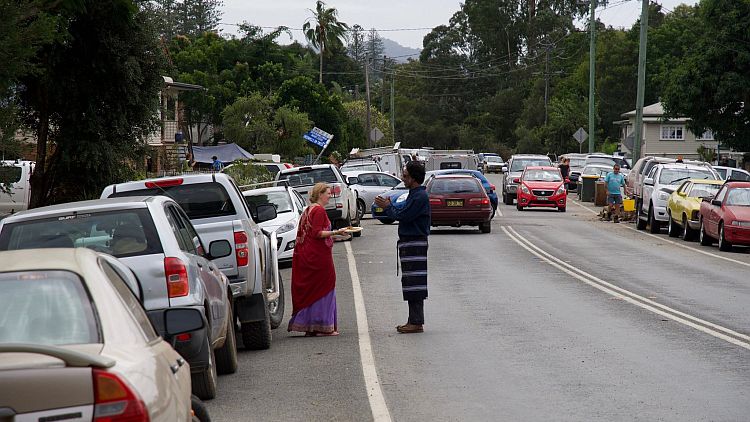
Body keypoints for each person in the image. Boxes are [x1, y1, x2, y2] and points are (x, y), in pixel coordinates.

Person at [374, 161, 431, 334]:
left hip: (415, 243)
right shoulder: (414, 194)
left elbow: (404, 215)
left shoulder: (419, 197)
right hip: (410, 243)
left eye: (405, 176)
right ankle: (414, 320)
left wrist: (387, 207)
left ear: (413, 178)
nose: (402, 178)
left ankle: (416, 322)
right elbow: (403, 209)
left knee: (414, 283)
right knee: (411, 282)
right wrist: (390, 204)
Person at [288, 183, 350, 337]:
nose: (330, 195)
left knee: (314, 288)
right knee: (325, 286)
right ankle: (322, 325)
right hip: (318, 256)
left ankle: (311, 325)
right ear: (320, 194)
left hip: (308, 254)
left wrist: (334, 234)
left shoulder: (309, 209)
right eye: (328, 193)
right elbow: (317, 233)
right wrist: (337, 231)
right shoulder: (319, 210)